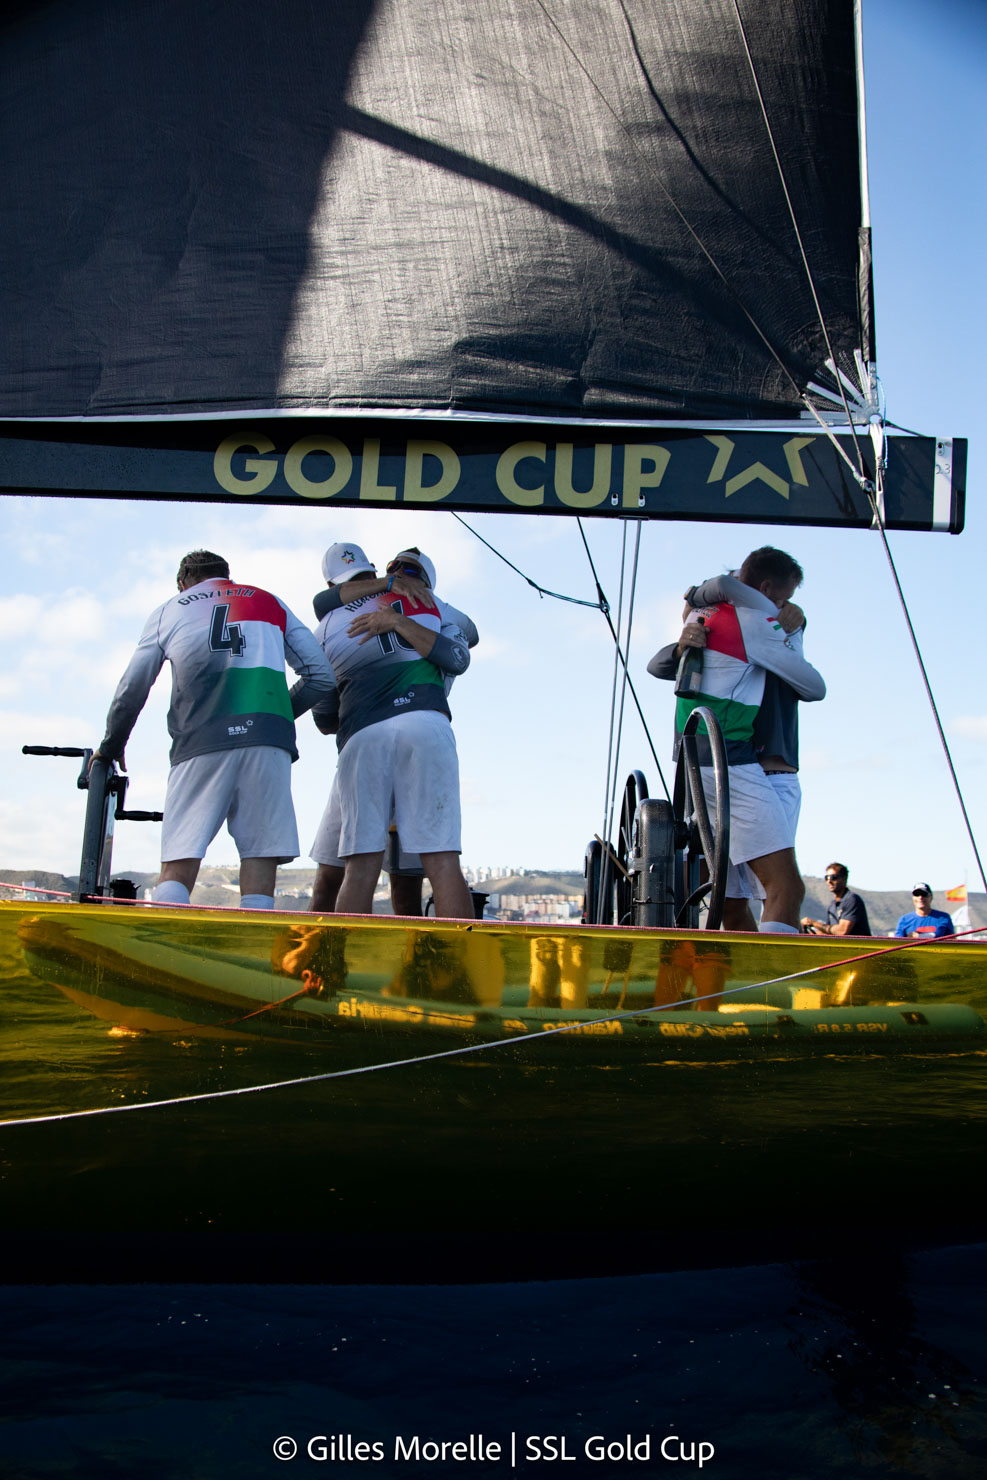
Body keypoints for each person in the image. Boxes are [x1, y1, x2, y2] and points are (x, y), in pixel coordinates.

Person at [94, 549, 334, 909]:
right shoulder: (268, 601)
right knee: (260, 856)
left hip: (200, 741)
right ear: (227, 575)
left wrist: (112, 745)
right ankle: (252, 939)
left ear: (182, 582)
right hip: (267, 742)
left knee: (179, 860)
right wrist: (276, 716)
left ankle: (171, 937)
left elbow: (132, 689)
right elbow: (321, 676)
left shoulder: (169, 611)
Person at [647, 547, 826, 933]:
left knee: (733, 899)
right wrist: (788, 631)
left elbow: (719, 589)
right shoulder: (755, 624)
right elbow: (815, 687)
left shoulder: (712, 616)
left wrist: (696, 599)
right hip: (735, 763)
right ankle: (767, 974)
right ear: (763, 590)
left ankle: (734, 971)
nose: (782, 608)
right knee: (782, 888)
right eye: (782, 598)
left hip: (711, 761)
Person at [307, 545, 478, 914]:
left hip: (363, 733)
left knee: (359, 867)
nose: (400, 575)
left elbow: (323, 719)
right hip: (425, 725)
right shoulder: (435, 607)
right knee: (443, 861)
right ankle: (459, 951)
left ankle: (345, 951)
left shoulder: (326, 625)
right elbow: (469, 641)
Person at [801, 862, 872, 936]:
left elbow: (842, 931)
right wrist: (811, 931)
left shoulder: (851, 900)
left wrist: (813, 923)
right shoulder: (832, 906)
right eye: (827, 878)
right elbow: (829, 934)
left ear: (844, 878)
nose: (829, 881)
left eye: (833, 877)